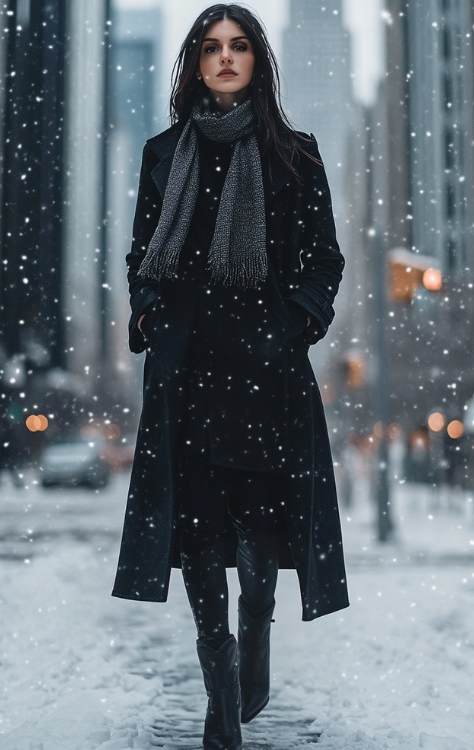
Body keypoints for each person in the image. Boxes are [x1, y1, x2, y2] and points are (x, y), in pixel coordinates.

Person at [112, 5, 349, 748]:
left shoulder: (295, 154)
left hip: (266, 375)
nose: (224, 58)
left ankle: (255, 633)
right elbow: (141, 255)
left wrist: (294, 329)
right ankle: (219, 698)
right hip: (186, 375)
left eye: (238, 46)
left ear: (257, 61)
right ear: (193, 62)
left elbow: (324, 262)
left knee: (257, 538)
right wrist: (150, 317)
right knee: (199, 534)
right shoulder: (163, 154)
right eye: (211, 47)